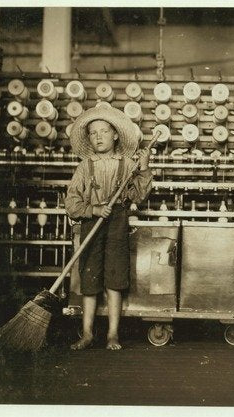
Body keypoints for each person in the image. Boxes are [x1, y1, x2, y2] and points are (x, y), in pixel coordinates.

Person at [64, 106, 152, 350]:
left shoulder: (127, 165)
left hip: (117, 223)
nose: (99, 137)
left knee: (115, 279)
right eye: (93, 133)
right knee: (89, 280)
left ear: (115, 135)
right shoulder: (84, 167)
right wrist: (92, 210)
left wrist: (143, 168)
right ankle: (87, 333)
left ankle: (113, 334)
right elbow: (71, 202)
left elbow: (140, 195)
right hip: (92, 223)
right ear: (88, 138)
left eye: (104, 131)